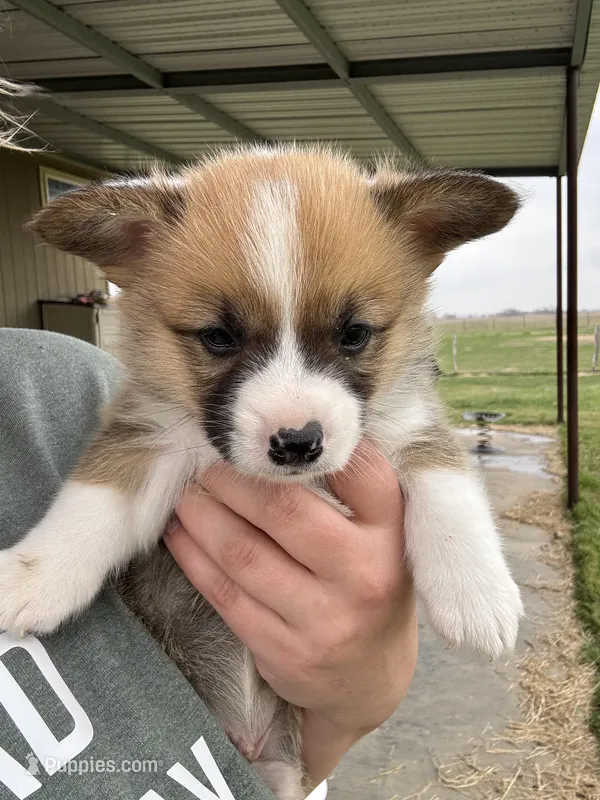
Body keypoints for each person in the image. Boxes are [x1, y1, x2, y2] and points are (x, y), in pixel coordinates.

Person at [0, 88, 417, 798]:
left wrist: (359, 694)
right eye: (220, 340)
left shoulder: (62, 388)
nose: (289, 411)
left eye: (350, 336)